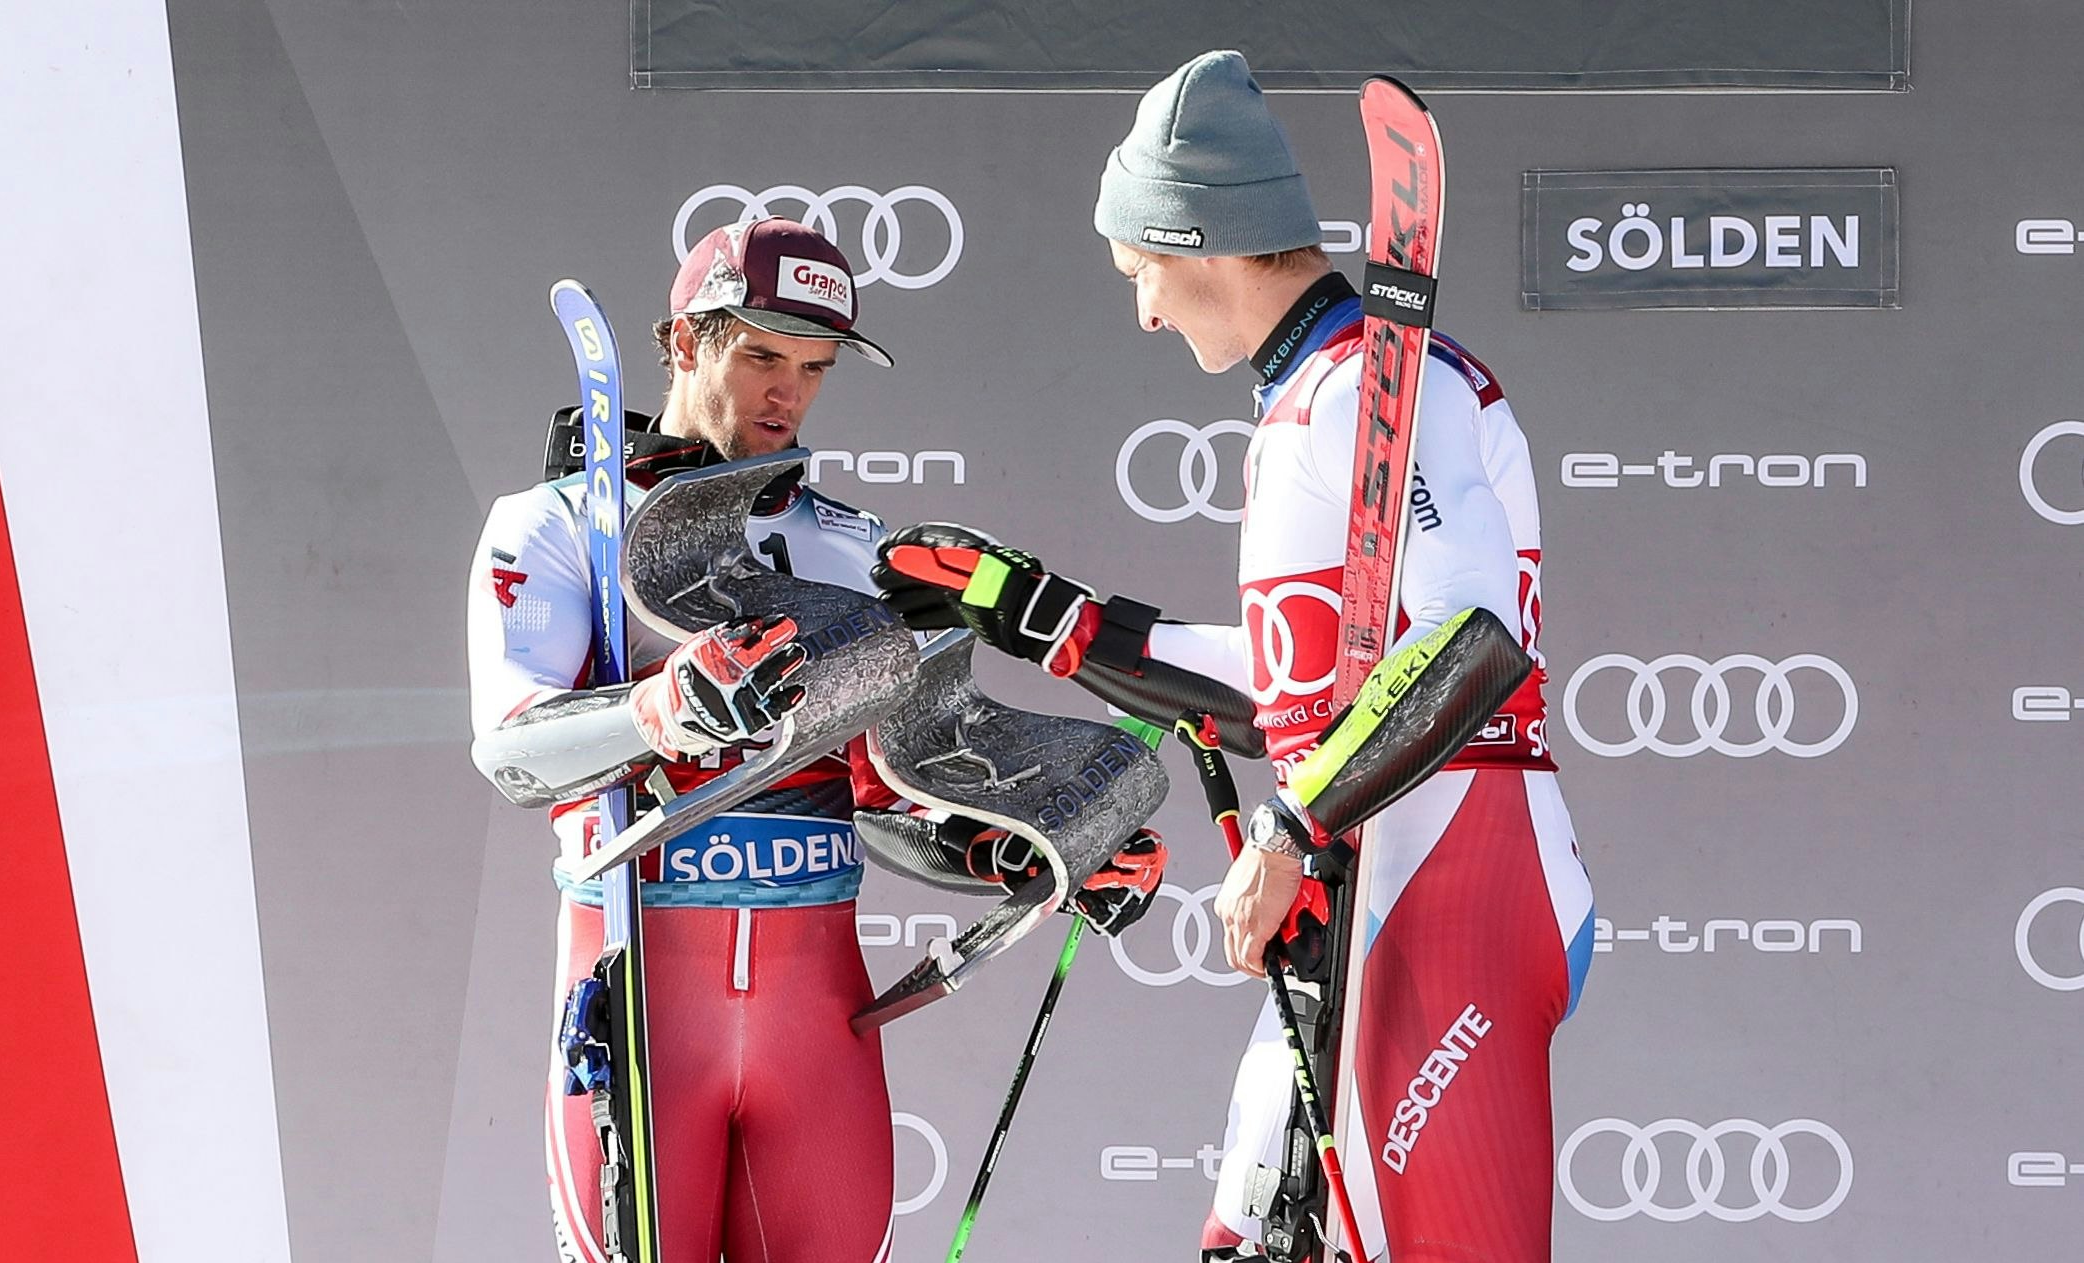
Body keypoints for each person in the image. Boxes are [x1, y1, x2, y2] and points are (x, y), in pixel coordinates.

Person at [871, 51, 1595, 1263]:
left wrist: (1291, 826)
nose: (1143, 311)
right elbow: (1303, 692)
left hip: (1456, 874)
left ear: (1195, 235)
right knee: (1252, 1237)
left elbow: (1473, 643)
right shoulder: (1308, 400)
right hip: (1372, 881)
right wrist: (1042, 615)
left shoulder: (1379, 378)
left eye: (1140, 271)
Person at [465, 216, 1166, 1263]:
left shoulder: (855, 547)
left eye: (812, 367)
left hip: (813, 1020)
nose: (784, 394)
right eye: (758, 356)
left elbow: (887, 799)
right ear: (681, 343)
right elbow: (514, 753)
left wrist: (1019, 854)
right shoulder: (559, 522)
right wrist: (665, 710)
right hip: (647, 996)